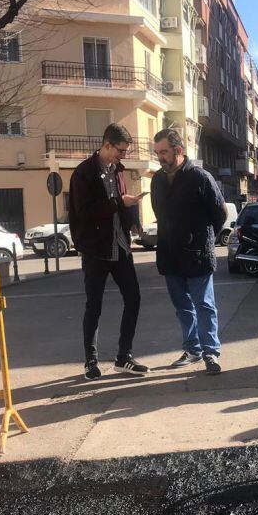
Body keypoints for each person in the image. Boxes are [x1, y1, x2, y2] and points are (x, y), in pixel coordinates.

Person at [68, 123, 148, 380]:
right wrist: (117, 203)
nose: (122, 156)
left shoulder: (119, 171)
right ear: (107, 145)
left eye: (125, 151)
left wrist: (131, 216)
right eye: (120, 151)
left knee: (134, 298)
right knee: (94, 305)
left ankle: (124, 357)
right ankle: (90, 362)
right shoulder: (84, 173)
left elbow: (120, 204)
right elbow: (84, 212)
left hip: (120, 244)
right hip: (95, 249)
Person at [151, 128, 228, 375]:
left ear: (178, 150)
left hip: (197, 255)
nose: (160, 157)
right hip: (169, 255)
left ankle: (211, 353)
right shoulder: (158, 180)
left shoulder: (200, 177)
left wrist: (203, 240)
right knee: (183, 307)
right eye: (157, 152)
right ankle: (192, 349)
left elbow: (220, 213)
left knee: (204, 305)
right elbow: (159, 214)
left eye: (164, 152)